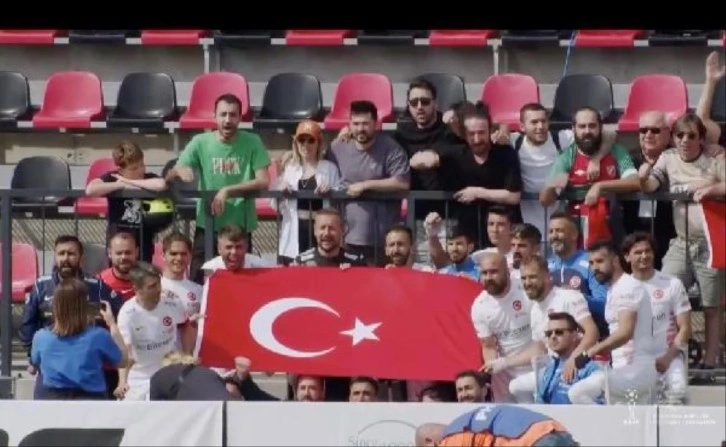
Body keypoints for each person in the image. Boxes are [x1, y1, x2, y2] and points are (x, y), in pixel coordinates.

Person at [639, 112, 725, 379]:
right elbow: (652, 185)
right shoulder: (667, 158)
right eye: (679, 135)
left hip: (710, 241)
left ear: (701, 139)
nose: (685, 140)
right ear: (673, 138)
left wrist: (710, 189)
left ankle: (709, 363)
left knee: (711, 306)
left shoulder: (715, 158)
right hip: (681, 242)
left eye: (691, 135)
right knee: (662, 294)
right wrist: (643, 176)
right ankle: (667, 356)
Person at [165, 93, 271, 284]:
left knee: (239, 283)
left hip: (239, 226)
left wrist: (227, 190)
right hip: (208, 225)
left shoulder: (252, 141)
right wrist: (179, 170)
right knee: (199, 281)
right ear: (214, 116)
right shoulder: (200, 142)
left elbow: (264, 180)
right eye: (223, 114)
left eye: (233, 115)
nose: (227, 120)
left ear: (240, 117)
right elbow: (170, 174)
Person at [20, 235, 122, 399]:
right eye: (61, 254)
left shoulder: (96, 286)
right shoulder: (41, 286)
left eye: (71, 254)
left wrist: (104, 345)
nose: (65, 259)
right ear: (55, 256)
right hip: (51, 373)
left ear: (81, 258)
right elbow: (27, 323)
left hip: (88, 372)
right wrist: (34, 356)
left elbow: (120, 313)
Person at [568, 241, 658, 405]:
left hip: (636, 371)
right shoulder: (613, 289)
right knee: (626, 421)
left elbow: (625, 332)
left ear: (615, 261)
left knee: (577, 393)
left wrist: (589, 352)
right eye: (591, 263)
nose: (594, 268)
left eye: (600, 261)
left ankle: (602, 422)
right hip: (622, 370)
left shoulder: (627, 286)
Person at [327, 100, 411, 264]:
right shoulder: (337, 147)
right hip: (347, 239)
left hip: (383, 241)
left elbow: (402, 182)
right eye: (356, 124)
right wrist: (290, 157)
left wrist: (365, 185)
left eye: (365, 124)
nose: (360, 128)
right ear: (349, 124)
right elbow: (319, 167)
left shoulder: (391, 148)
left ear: (376, 124)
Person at [622, 232, 692, 404]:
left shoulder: (672, 284)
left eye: (648, 251)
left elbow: (685, 328)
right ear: (627, 257)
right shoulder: (620, 287)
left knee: (678, 391)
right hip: (634, 358)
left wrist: (668, 357)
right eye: (638, 252)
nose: (644, 256)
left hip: (668, 355)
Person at [31, 278, 129, 400]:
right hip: (90, 400)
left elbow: (34, 363)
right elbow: (123, 361)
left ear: (55, 306)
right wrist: (112, 324)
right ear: (85, 306)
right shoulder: (99, 336)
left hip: (51, 399)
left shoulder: (40, 337)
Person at [116, 262, 195, 401]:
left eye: (158, 283)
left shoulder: (172, 303)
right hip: (139, 378)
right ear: (137, 289)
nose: (158, 289)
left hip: (168, 373)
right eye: (152, 286)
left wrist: (187, 356)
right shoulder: (127, 314)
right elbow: (125, 352)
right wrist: (122, 381)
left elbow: (186, 326)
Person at [85, 140, 169, 263]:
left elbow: (161, 184)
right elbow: (91, 190)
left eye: (142, 165)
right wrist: (120, 185)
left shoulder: (148, 177)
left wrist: (128, 182)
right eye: (134, 168)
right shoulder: (113, 177)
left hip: (142, 243)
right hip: (118, 244)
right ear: (120, 170)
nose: (140, 170)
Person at [274, 120, 342, 265]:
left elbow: (340, 199)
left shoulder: (329, 168)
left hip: (320, 229)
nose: (306, 145)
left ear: (318, 143)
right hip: (295, 227)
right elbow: (277, 205)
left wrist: (330, 192)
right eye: (301, 140)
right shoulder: (291, 169)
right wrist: (282, 191)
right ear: (296, 143)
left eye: (311, 140)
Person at [471, 252, 535, 403]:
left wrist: (506, 362)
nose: (488, 277)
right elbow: (488, 346)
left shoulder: (525, 290)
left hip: (535, 365)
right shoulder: (479, 306)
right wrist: (492, 365)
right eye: (484, 273)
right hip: (505, 373)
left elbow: (541, 341)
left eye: (494, 272)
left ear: (507, 271)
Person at [415, 405, 579, 447]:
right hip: (557, 431)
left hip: (533, 442)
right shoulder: (466, 423)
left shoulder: (451, 440)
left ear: (430, 442)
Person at [536, 312, 605, 405]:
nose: (553, 336)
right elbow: (540, 403)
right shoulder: (550, 368)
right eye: (549, 333)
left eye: (559, 332)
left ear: (574, 336)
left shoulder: (589, 367)